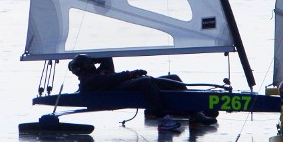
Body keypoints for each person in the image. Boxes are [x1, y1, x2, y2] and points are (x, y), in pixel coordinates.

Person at [68, 55, 216, 129]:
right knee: (146, 81)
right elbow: (113, 78)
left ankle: (194, 112)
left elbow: (107, 57)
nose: (92, 64)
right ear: (83, 67)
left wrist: (91, 59)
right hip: (119, 89)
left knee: (173, 78)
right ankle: (162, 119)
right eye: (88, 63)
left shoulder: (96, 73)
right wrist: (132, 73)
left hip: (124, 84)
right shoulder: (89, 81)